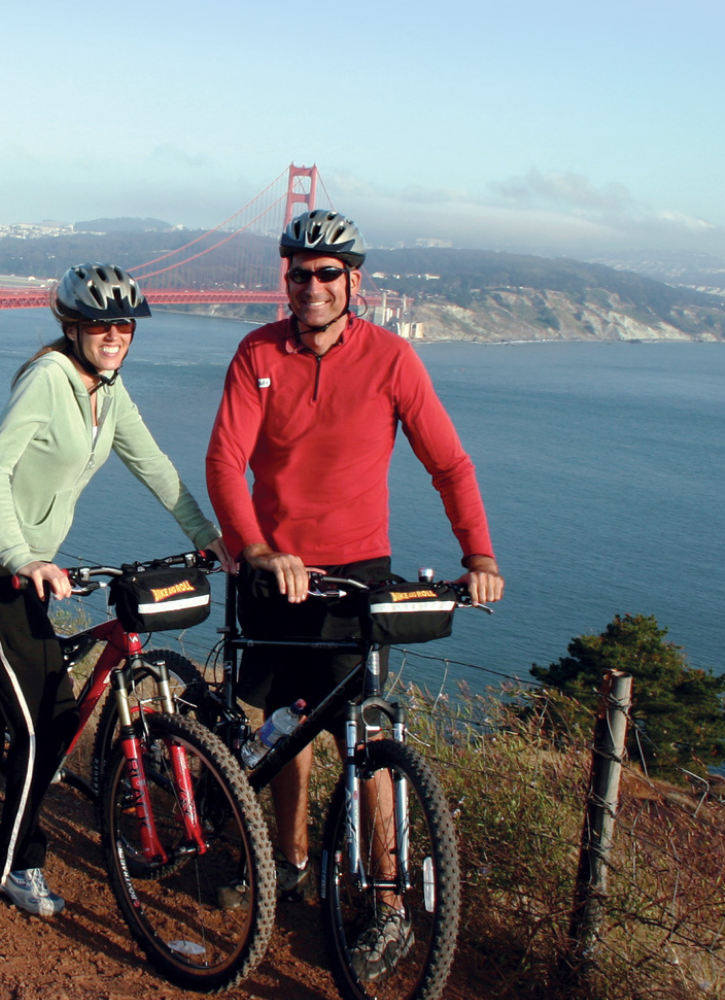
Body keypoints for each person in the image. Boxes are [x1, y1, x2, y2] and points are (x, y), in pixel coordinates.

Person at [204, 210, 504, 970]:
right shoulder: (256, 352)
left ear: (354, 282)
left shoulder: (392, 358)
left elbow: (450, 463)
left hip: (356, 577)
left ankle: (388, 902)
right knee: (282, 727)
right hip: (273, 572)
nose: (311, 286)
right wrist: (260, 550)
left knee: (366, 737)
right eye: (298, 273)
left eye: (327, 274)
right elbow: (224, 461)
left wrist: (480, 556)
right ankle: (290, 861)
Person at [0, 263, 226, 917]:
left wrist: (210, 538)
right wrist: (23, 557)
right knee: (48, 721)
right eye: (100, 324)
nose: (115, 334)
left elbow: (154, 463)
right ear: (72, 326)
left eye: (124, 324)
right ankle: (8, 863)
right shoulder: (47, 380)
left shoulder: (110, 392)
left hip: (33, 570)